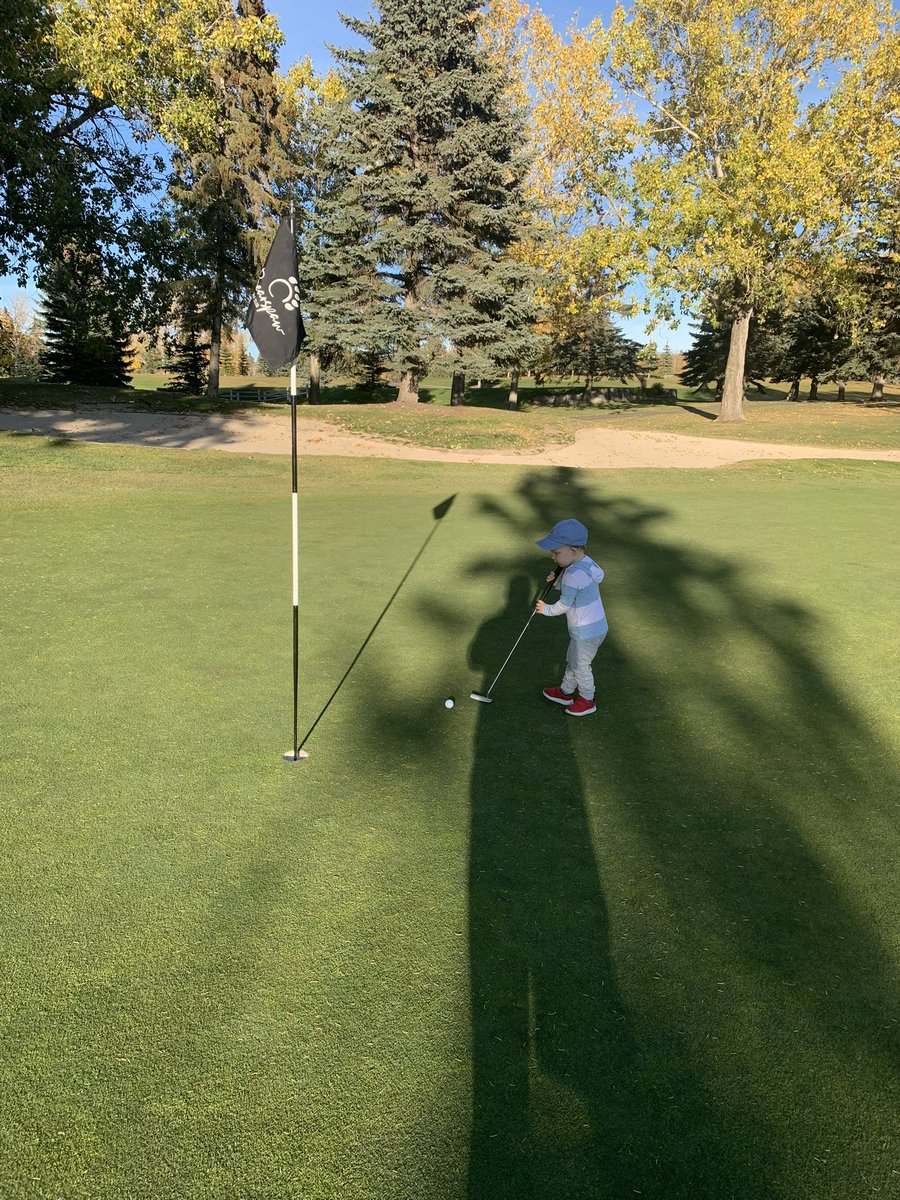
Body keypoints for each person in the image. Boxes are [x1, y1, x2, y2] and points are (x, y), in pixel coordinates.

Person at [534, 518, 608, 716]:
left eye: (557, 552)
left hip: (586, 631)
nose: (553, 557)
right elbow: (576, 592)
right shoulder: (586, 563)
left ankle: (587, 699)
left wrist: (545, 609)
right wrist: (559, 581)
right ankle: (566, 692)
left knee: (580, 665)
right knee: (573, 660)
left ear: (573, 551)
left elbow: (565, 604)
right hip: (596, 627)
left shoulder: (573, 575)